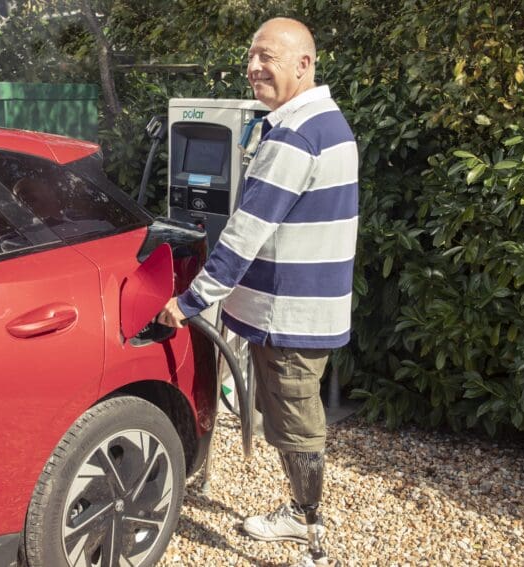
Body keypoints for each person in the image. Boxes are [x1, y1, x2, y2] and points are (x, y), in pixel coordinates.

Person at [157, 16, 358, 567]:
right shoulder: (323, 122)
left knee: (295, 425)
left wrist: (189, 300)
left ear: (304, 64)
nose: (253, 67)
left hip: (287, 312)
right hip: (295, 305)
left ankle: (309, 529)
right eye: (251, 56)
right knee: (287, 416)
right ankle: (299, 510)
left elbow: (244, 232)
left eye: (267, 57)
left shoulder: (295, 134)